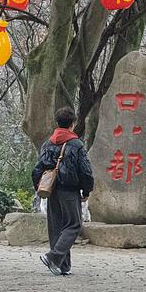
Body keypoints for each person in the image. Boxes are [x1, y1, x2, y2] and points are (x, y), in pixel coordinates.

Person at [31, 106, 94, 276]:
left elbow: (37, 169)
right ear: (72, 124)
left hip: (52, 190)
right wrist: (87, 190)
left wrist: (39, 188)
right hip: (70, 190)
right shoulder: (77, 144)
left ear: (57, 123)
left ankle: (62, 266)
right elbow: (85, 171)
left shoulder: (48, 143)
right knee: (74, 225)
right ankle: (53, 257)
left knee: (56, 227)